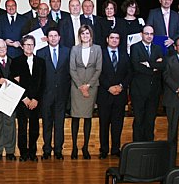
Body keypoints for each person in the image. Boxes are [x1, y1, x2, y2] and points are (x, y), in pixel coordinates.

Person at [69, 25, 102, 160]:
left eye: (87, 33)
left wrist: (88, 85)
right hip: (77, 87)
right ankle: (74, 148)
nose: (85, 36)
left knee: (88, 117)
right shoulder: (74, 49)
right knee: (75, 117)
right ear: (79, 36)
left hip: (92, 87)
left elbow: (98, 69)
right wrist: (81, 86)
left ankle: (86, 147)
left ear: (91, 35)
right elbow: (72, 69)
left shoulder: (97, 49)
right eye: (82, 34)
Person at [10, 35, 45, 162]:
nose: (29, 47)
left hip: (35, 101)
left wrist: (35, 99)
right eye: (27, 45)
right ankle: (23, 153)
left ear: (34, 46)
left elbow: (42, 82)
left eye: (31, 44)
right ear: (22, 46)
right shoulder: (16, 61)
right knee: (23, 127)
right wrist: (24, 98)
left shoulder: (41, 62)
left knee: (35, 127)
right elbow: (14, 83)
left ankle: (32, 152)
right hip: (22, 101)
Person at [37, 28, 70, 160]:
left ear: (59, 37)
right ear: (47, 38)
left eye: (55, 35)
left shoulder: (67, 51)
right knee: (47, 123)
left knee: (59, 123)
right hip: (46, 95)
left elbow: (69, 73)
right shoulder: (40, 53)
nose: (53, 38)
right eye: (50, 36)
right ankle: (46, 149)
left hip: (62, 94)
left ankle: (58, 150)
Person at [97, 30, 131, 159]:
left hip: (120, 95)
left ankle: (116, 149)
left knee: (117, 124)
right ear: (107, 39)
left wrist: (121, 86)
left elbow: (129, 73)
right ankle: (104, 149)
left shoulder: (124, 54)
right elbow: (98, 72)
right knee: (104, 124)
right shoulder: (100, 53)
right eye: (112, 38)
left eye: (117, 38)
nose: (114, 40)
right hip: (105, 94)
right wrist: (109, 87)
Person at [130, 25, 165, 142]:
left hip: (154, 91)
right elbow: (136, 66)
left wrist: (148, 64)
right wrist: (154, 66)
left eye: (151, 34)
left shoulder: (158, 48)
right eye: (147, 34)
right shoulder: (135, 47)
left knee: (150, 120)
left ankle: (149, 146)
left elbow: (162, 66)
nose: (149, 36)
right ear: (142, 34)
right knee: (139, 120)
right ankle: (137, 146)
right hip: (139, 90)